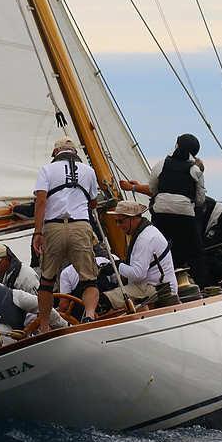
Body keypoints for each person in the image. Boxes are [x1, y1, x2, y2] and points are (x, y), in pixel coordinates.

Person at [120, 133, 208, 286]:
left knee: (161, 248)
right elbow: (200, 199)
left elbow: (154, 189)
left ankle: (160, 284)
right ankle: (203, 285)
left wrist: (135, 186)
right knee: (196, 252)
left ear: (176, 145)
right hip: (184, 214)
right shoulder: (195, 170)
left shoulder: (160, 165)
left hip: (161, 214)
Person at [33, 136, 100, 328]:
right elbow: (93, 202)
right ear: (75, 153)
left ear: (55, 153)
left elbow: (41, 202)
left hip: (53, 227)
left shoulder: (46, 169)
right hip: (80, 226)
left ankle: (44, 325)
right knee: (89, 279)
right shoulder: (89, 171)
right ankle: (89, 315)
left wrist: (38, 233)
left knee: (47, 280)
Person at [98, 201, 178, 311]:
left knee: (104, 300)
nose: (118, 225)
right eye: (116, 221)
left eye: (120, 221)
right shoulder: (144, 232)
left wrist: (116, 266)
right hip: (153, 285)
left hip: (158, 289)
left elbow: (138, 274)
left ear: (133, 218)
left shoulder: (145, 238)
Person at [58, 244, 119, 320]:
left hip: (84, 318)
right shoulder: (112, 259)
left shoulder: (67, 272)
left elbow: (64, 305)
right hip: (113, 312)